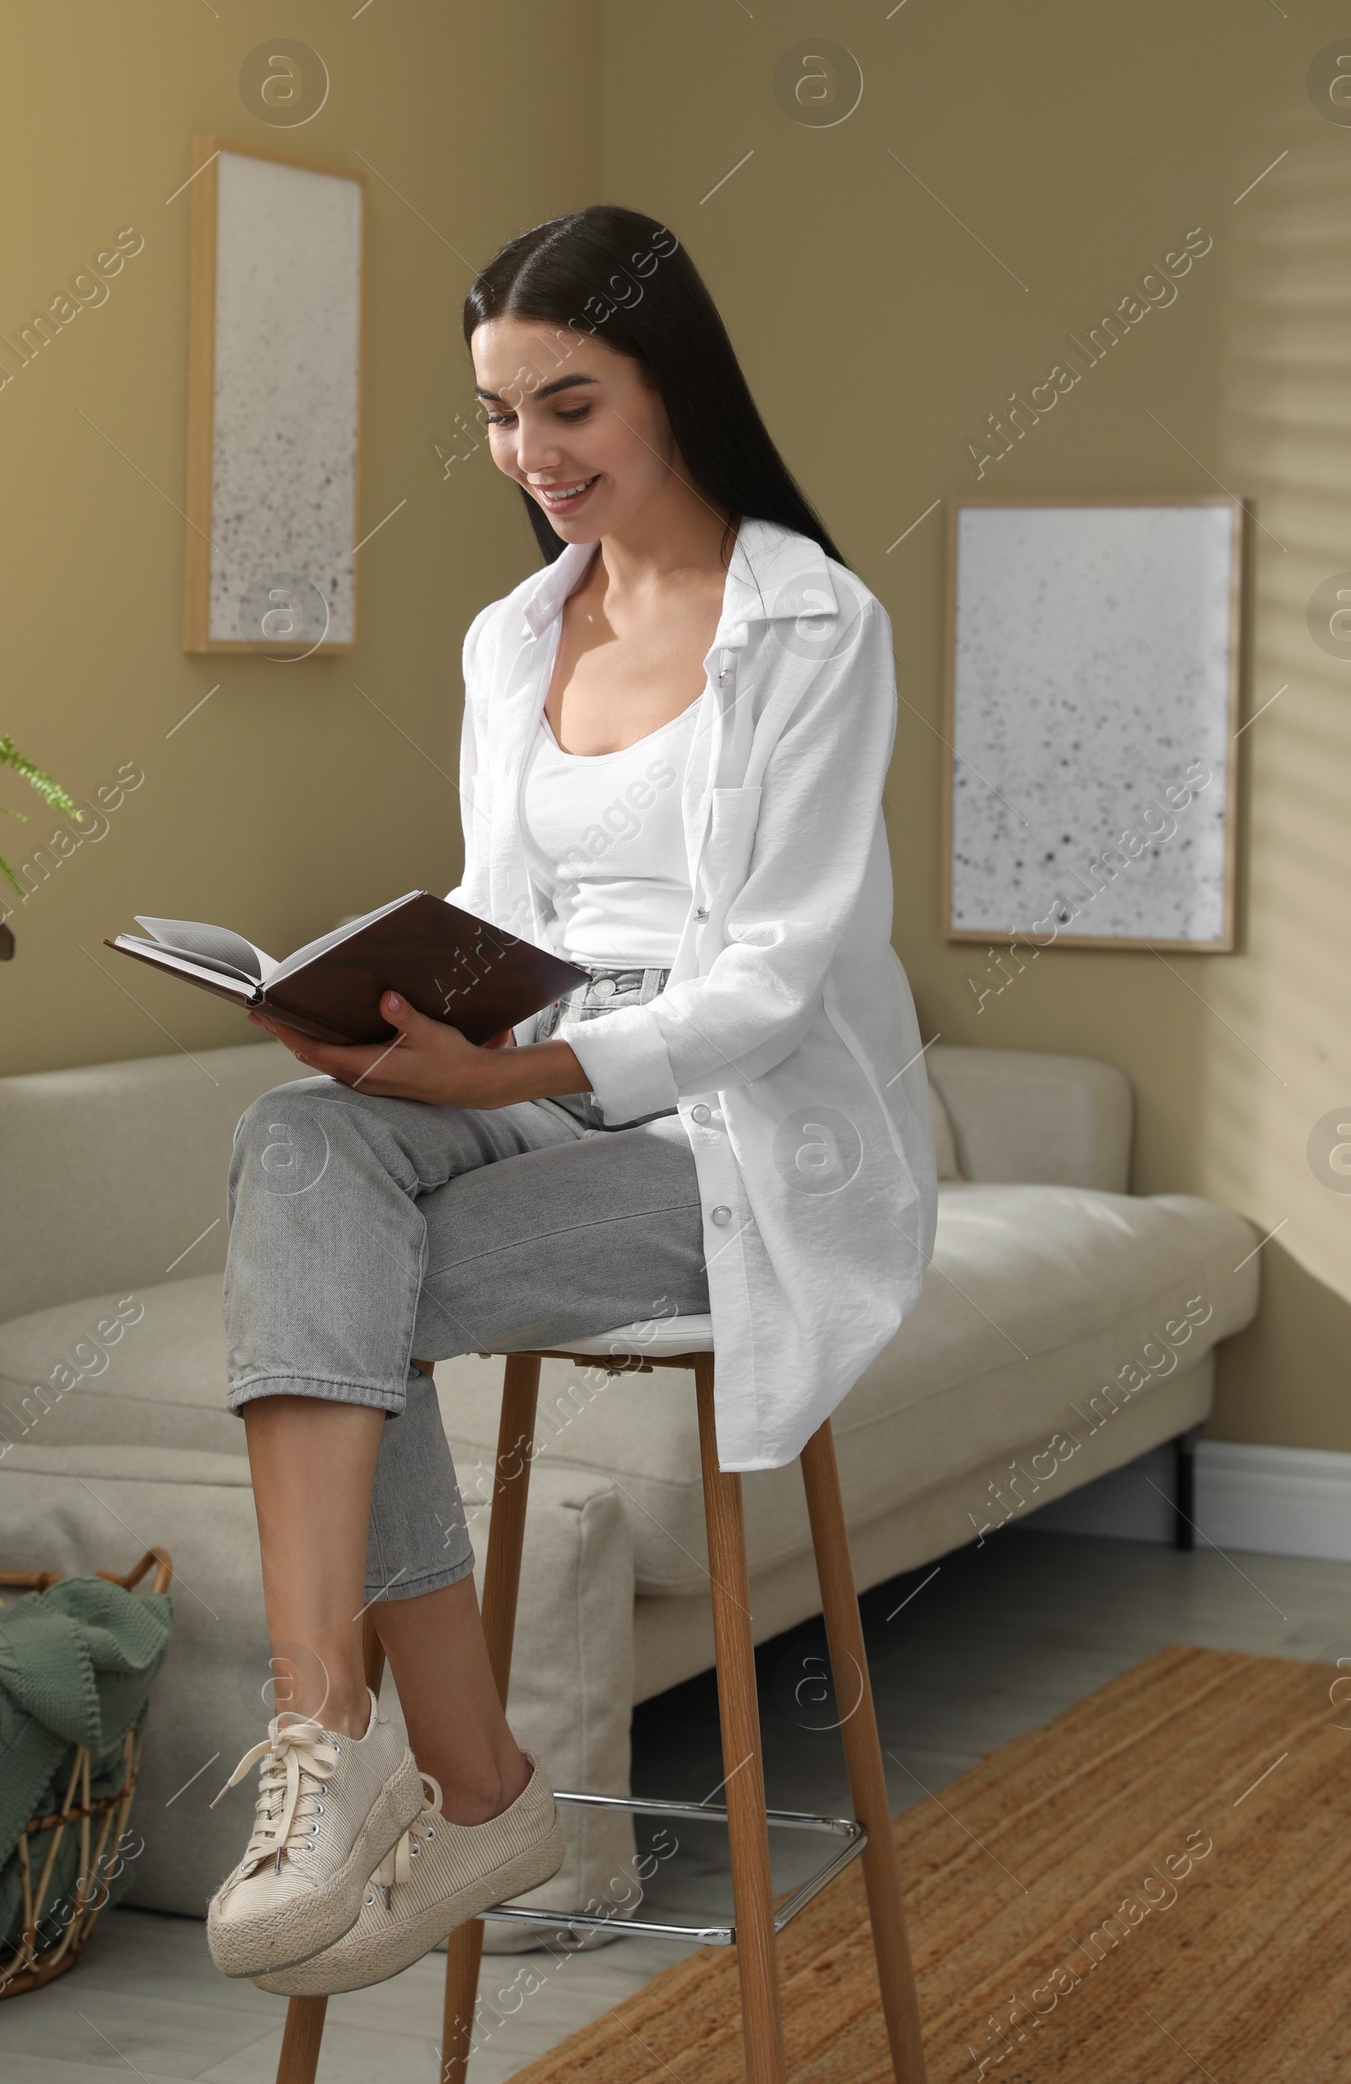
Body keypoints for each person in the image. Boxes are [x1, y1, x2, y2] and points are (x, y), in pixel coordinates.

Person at [205, 205, 937, 1997]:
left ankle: (463, 1787)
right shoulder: (509, 635)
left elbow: (766, 984)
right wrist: (399, 1022)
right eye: (496, 415)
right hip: (531, 1079)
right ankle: (337, 1740)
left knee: (339, 1300)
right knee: (299, 1143)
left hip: (739, 1141)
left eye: (571, 406)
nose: (529, 457)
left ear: (670, 385)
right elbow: (512, 917)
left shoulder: (813, 625)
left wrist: (510, 1068)